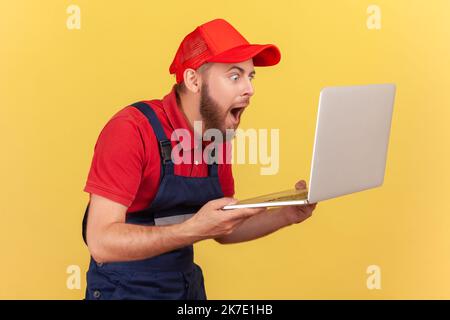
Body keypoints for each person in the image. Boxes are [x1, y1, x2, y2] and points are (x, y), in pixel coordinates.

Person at [82, 18, 317, 300]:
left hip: (184, 288)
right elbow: (101, 242)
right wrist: (189, 230)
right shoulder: (131, 130)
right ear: (194, 80)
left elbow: (223, 229)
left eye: (250, 77)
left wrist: (287, 214)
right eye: (234, 76)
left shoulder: (217, 134)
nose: (249, 89)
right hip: (124, 289)